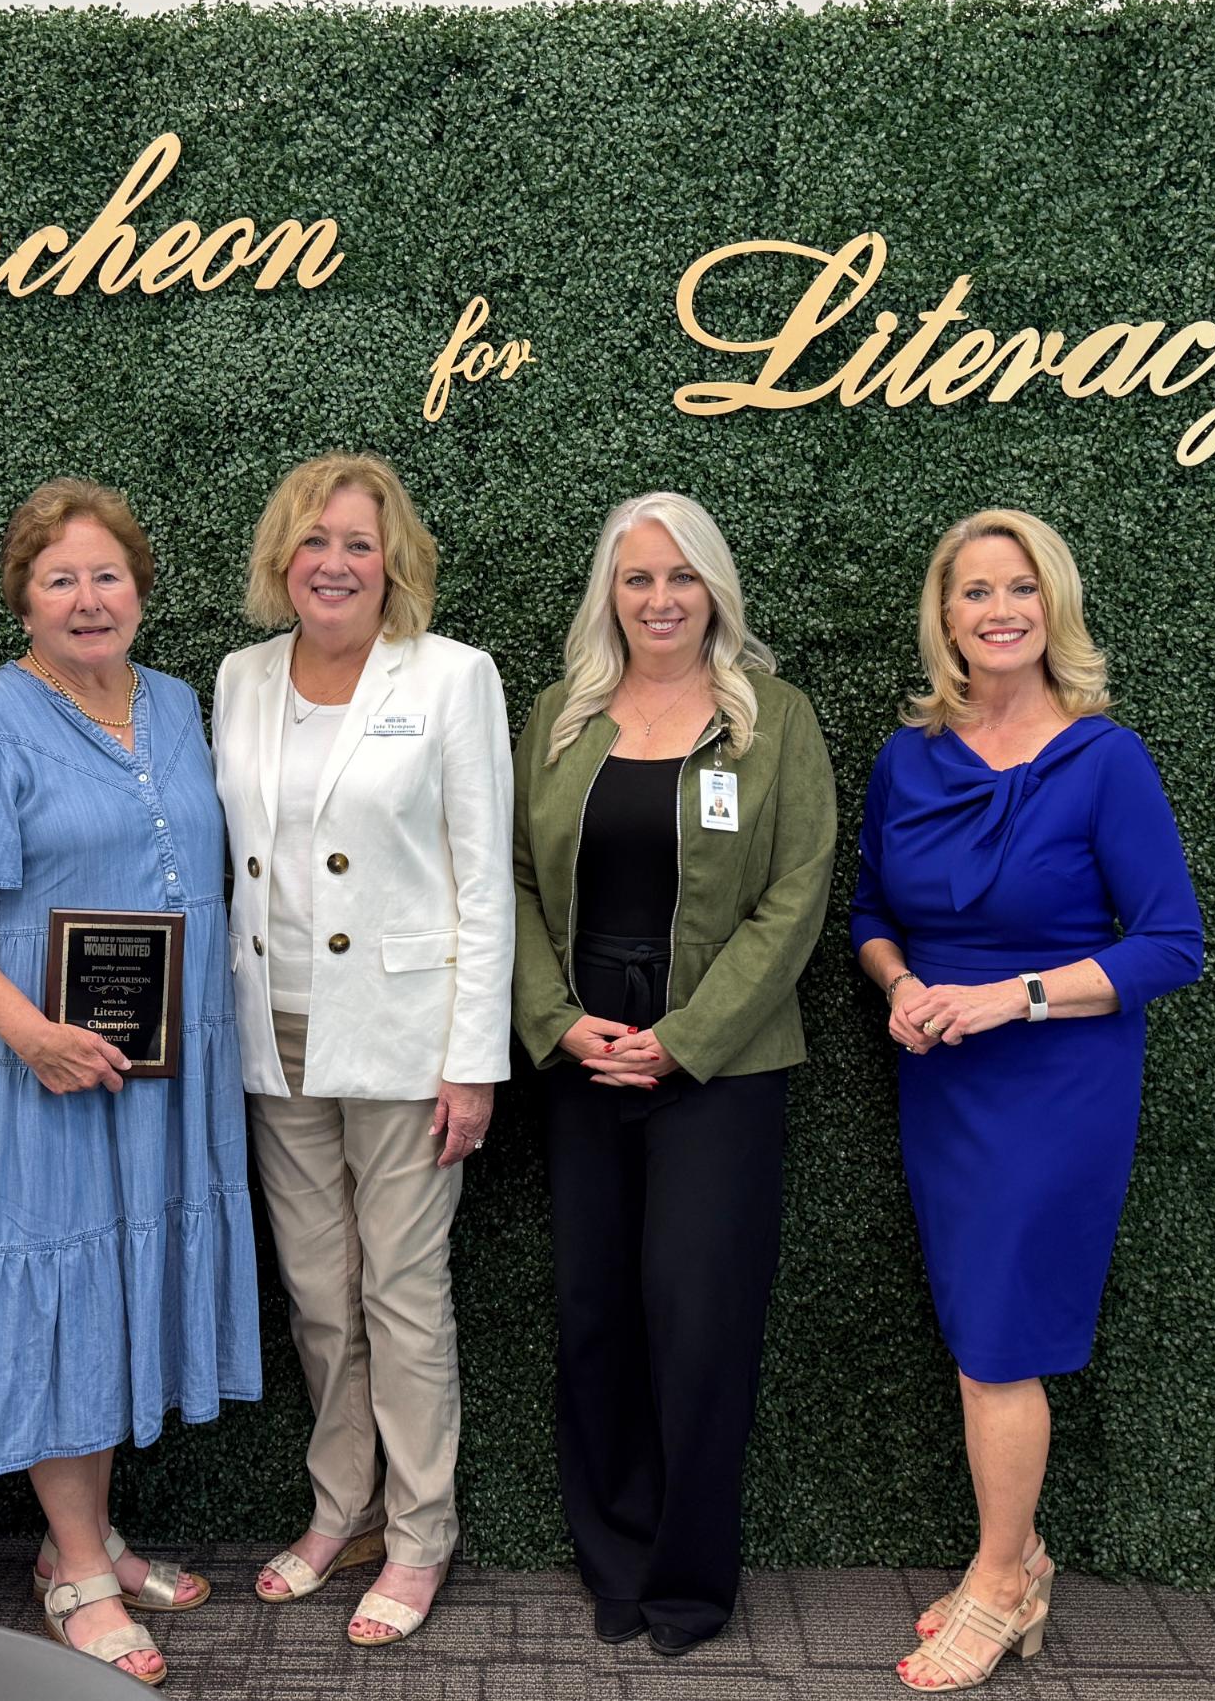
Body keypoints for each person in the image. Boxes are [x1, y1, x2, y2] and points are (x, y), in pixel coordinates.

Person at [0, 478, 261, 1686]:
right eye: (59, 580)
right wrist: (37, 1034)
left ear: (141, 589)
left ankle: (80, 1541)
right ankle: (82, 1569)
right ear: (24, 601)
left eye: (106, 575)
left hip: (160, 1062)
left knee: (118, 1279)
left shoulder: (177, 703)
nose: (87, 599)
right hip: (35, 1071)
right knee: (61, 1282)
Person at [849, 508, 1203, 1691]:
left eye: (1018, 588)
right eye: (972, 592)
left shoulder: (1105, 759)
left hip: (1056, 1082)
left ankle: (1001, 1582)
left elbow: (1169, 946)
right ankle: (1016, 1557)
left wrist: (1014, 998)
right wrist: (898, 985)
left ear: (1050, 604)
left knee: (1000, 1338)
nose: (996, 610)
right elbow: (869, 914)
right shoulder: (908, 758)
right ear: (942, 617)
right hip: (939, 1080)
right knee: (973, 1332)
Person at [510, 491, 836, 1656]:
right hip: (584, 1043)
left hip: (722, 1053)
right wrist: (555, 1019)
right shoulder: (559, 715)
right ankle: (612, 1558)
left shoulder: (775, 719)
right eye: (636, 578)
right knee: (594, 1311)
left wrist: (688, 1036)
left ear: (713, 592)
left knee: (697, 1320)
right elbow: (513, 883)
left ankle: (690, 1579)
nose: (657, 600)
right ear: (609, 592)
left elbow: (795, 894)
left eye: (679, 578)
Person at [212, 452, 513, 1648]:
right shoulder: (237, 678)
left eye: (357, 542)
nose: (334, 563)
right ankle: (341, 1505)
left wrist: (471, 1056)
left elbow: (486, 880)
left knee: (402, 1294)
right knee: (319, 1296)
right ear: (280, 560)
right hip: (273, 1036)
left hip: (402, 1040)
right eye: (312, 541)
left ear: (394, 561)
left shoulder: (451, 678)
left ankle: (421, 1532)